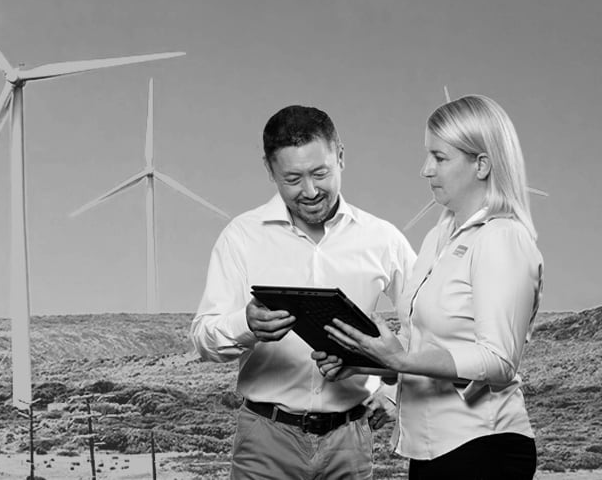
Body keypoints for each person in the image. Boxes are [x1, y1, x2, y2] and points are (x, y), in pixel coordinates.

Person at [315, 94, 543, 479]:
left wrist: (401, 360)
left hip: (484, 447)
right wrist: (363, 358)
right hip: (431, 449)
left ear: (482, 164)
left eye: (439, 157)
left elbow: (500, 360)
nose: (425, 169)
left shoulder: (503, 238)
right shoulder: (440, 236)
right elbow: (423, 347)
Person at [190, 104, 416, 480]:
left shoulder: (384, 239)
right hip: (264, 441)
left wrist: (393, 389)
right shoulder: (241, 237)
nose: (309, 191)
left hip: (350, 441)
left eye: (320, 173)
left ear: (341, 156)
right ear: (269, 170)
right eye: (292, 179)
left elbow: (428, 323)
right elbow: (203, 337)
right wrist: (245, 324)